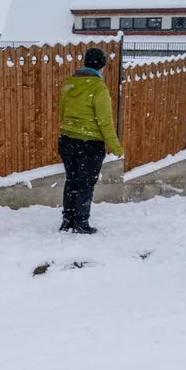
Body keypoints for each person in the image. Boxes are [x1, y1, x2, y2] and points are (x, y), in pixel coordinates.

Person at [58, 46, 123, 235]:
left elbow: (63, 113)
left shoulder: (69, 84)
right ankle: (81, 223)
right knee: (86, 184)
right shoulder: (98, 88)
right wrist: (116, 146)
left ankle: (68, 221)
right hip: (89, 144)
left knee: (72, 181)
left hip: (67, 140)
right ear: (102, 66)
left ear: (86, 62)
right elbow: (105, 122)